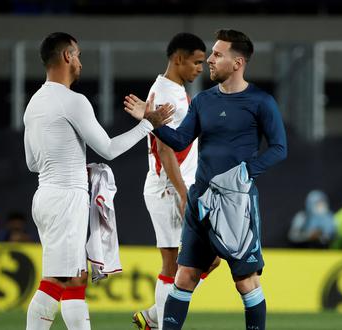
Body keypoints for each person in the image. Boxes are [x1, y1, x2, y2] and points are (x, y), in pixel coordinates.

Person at [129, 29, 287, 330]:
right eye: (211, 54)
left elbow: (279, 148)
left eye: (217, 54)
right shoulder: (203, 100)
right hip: (200, 201)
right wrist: (152, 122)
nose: (210, 60)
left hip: (236, 202)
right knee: (185, 274)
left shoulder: (260, 101)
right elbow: (178, 140)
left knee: (246, 281)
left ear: (238, 62)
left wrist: (245, 172)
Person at [22, 32, 173, 330]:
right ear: (67, 56)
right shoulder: (72, 100)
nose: (79, 61)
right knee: (56, 280)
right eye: (77, 54)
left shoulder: (34, 103)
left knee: (76, 278)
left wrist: (74, 164)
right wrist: (148, 124)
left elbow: (32, 163)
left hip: (46, 195)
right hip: (66, 198)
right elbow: (108, 149)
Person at [126, 33, 219, 330]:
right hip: (168, 188)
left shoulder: (173, 89)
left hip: (181, 185)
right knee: (173, 264)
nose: (200, 68)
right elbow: (165, 149)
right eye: (197, 62)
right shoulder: (165, 93)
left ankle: (155, 316)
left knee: (210, 258)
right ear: (178, 59)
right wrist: (182, 194)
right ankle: (162, 322)